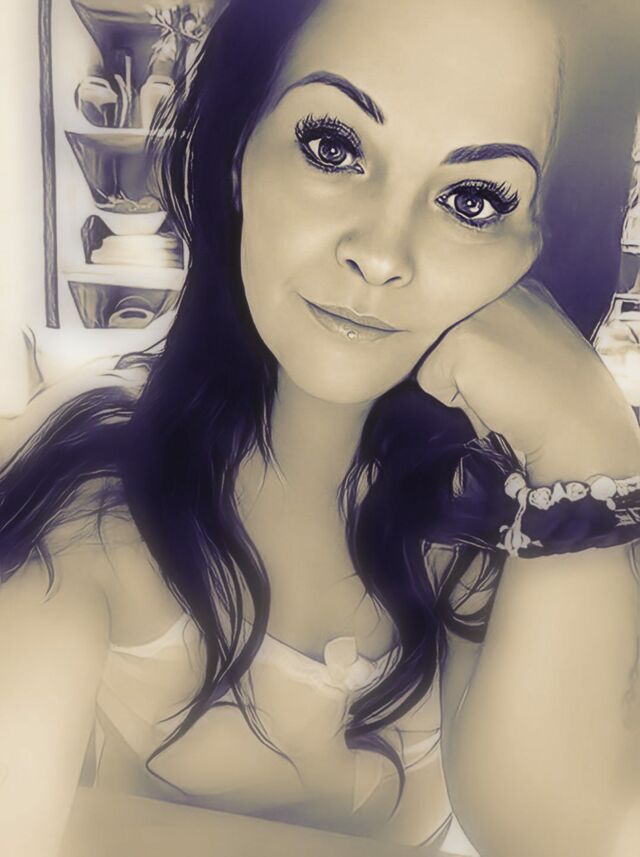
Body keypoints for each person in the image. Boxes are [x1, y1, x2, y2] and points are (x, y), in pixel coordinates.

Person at [2, 1, 640, 855]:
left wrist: (591, 445)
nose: (380, 253)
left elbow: (563, 838)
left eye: (473, 199)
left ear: (537, 249)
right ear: (239, 151)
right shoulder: (88, 485)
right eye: (333, 147)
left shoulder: (511, 515)